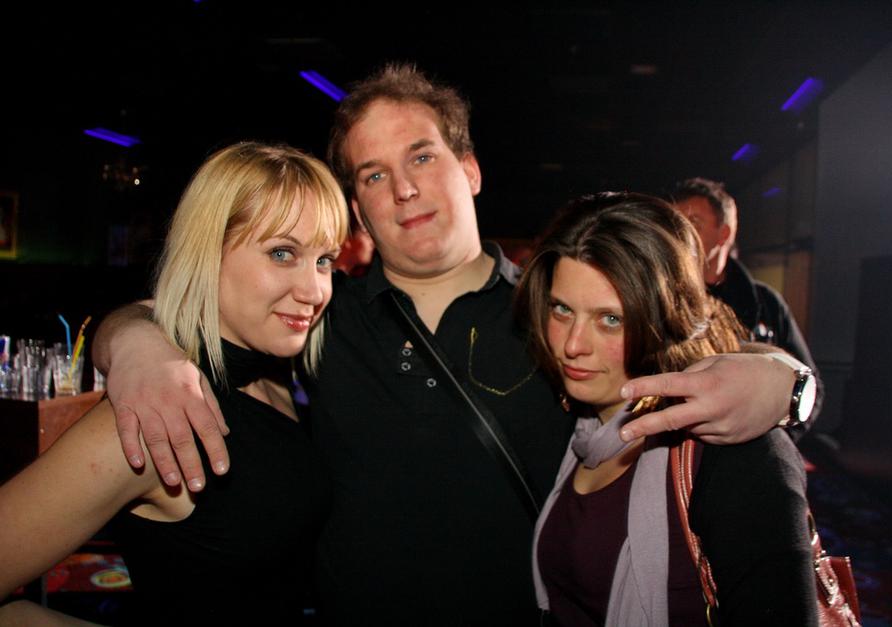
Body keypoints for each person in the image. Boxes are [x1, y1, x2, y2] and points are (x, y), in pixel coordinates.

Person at [91, 64, 813, 626]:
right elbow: (181, 307)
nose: (403, 189)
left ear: (469, 169)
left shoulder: (554, 312)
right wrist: (131, 344)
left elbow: (689, 353)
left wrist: (789, 381)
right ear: (357, 207)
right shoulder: (320, 315)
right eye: (374, 174)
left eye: (421, 157)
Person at [0, 142, 348, 625]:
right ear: (207, 253)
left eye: (324, 260)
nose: (314, 291)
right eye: (282, 253)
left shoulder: (274, 375)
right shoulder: (156, 409)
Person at [518, 192, 817, 626]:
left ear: (664, 319)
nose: (572, 345)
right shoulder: (572, 423)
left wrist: (789, 384)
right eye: (562, 309)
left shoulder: (731, 450)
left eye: (611, 319)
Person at [672, 177, 823, 432]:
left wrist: (777, 440)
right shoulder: (661, 300)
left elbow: (808, 385)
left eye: (694, 222)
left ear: (724, 234)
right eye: (675, 223)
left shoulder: (766, 304)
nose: (681, 233)